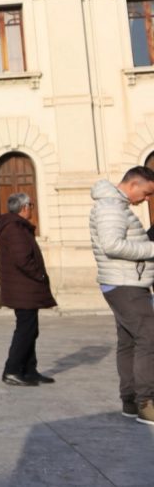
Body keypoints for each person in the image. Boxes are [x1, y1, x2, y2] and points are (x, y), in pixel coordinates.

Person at [89, 166, 154, 424]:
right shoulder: (111, 208)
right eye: (147, 193)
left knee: (129, 341)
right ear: (133, 185)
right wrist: (151, 248)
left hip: (122, 282)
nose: (147, 199)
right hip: (125, 284)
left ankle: (130, 401)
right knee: (149, 339)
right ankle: (147, 403)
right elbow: (112, 245)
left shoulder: (115, 206)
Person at [0, 192, 56, 387]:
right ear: (24, 208)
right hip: (23, 288)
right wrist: (40, 276)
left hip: (24, 288)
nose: (32, 209)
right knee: (25, 330)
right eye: (31, 205)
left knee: (31, 330)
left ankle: (29, 370)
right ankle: (12, 370)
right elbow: (22, 259)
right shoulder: (14, 228)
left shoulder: (18, 227)